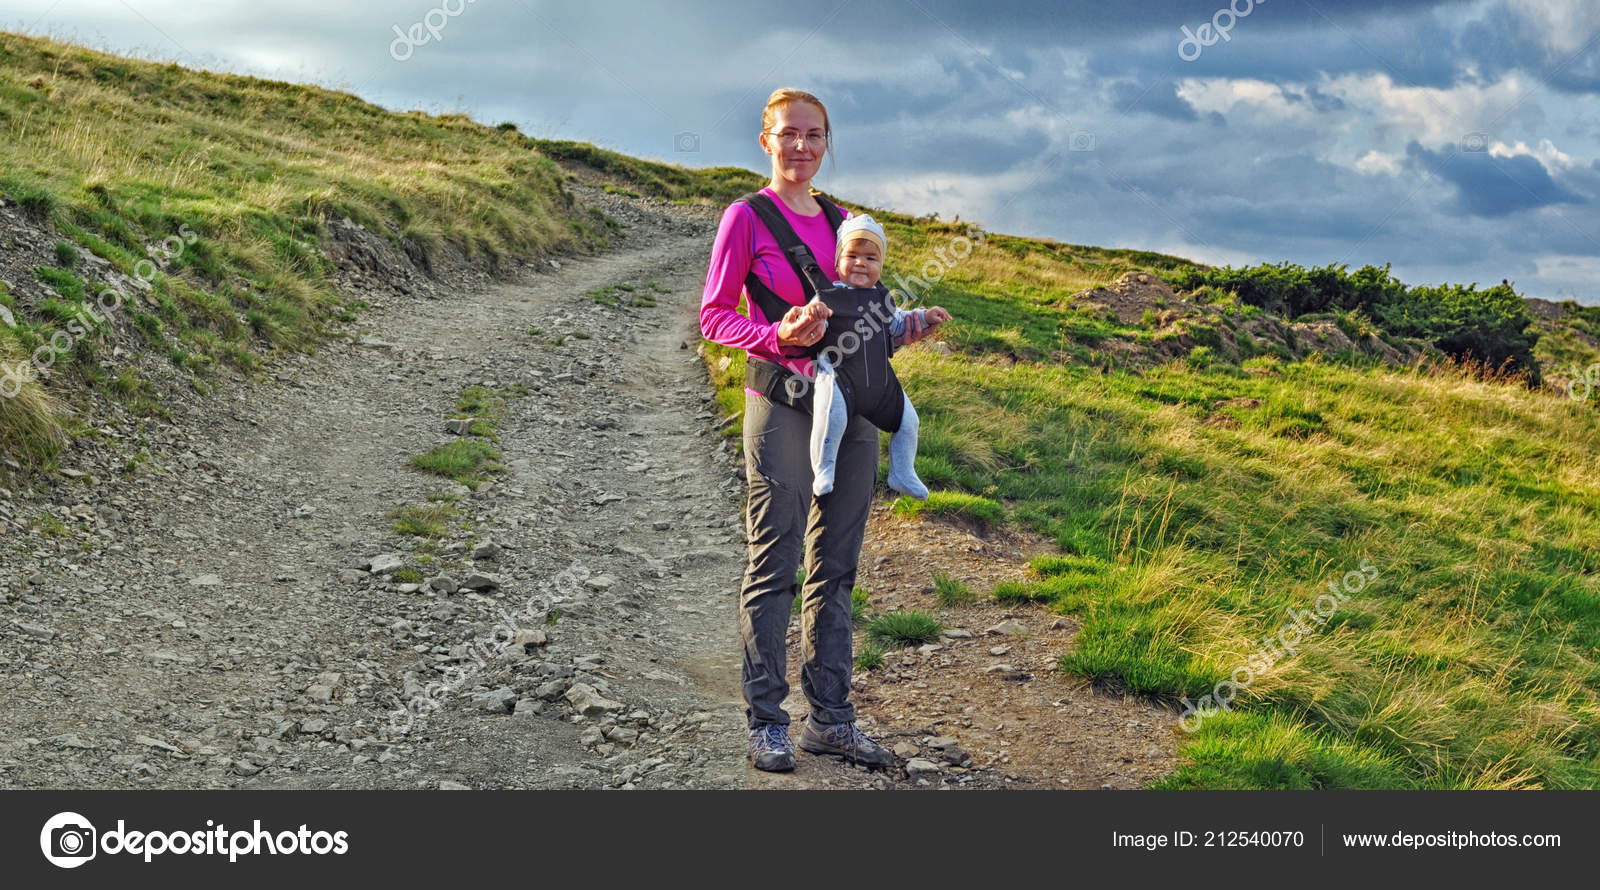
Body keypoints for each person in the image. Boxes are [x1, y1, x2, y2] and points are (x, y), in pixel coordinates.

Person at [699, 88, 945, 772]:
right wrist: (776, 333)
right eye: (788, 135)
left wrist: (904, 333)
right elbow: (715, 317)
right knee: (774, 564)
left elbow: (862, 319)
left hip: (853, 411)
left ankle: (831, 721)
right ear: (765, 141)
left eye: (813, 135)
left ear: (827, 142)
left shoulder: (846, 222)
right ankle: (767, 722)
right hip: (780, 400)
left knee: (836, 571)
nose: (800, 147)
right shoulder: (744, 218)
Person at [807, 212, 950, 500]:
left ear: (881, 266)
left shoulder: (884, 299)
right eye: (852, 256)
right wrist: (814, 314)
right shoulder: (828, 295)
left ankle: (902, 472)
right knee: (830, 417)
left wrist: (924, 317)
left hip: (880, 380)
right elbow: (812, 326)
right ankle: (824, 467)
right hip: (838, 377)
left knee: (909, 421)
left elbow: (898, 324)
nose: (861, 263)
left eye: (871, 258)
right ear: (837, 262)